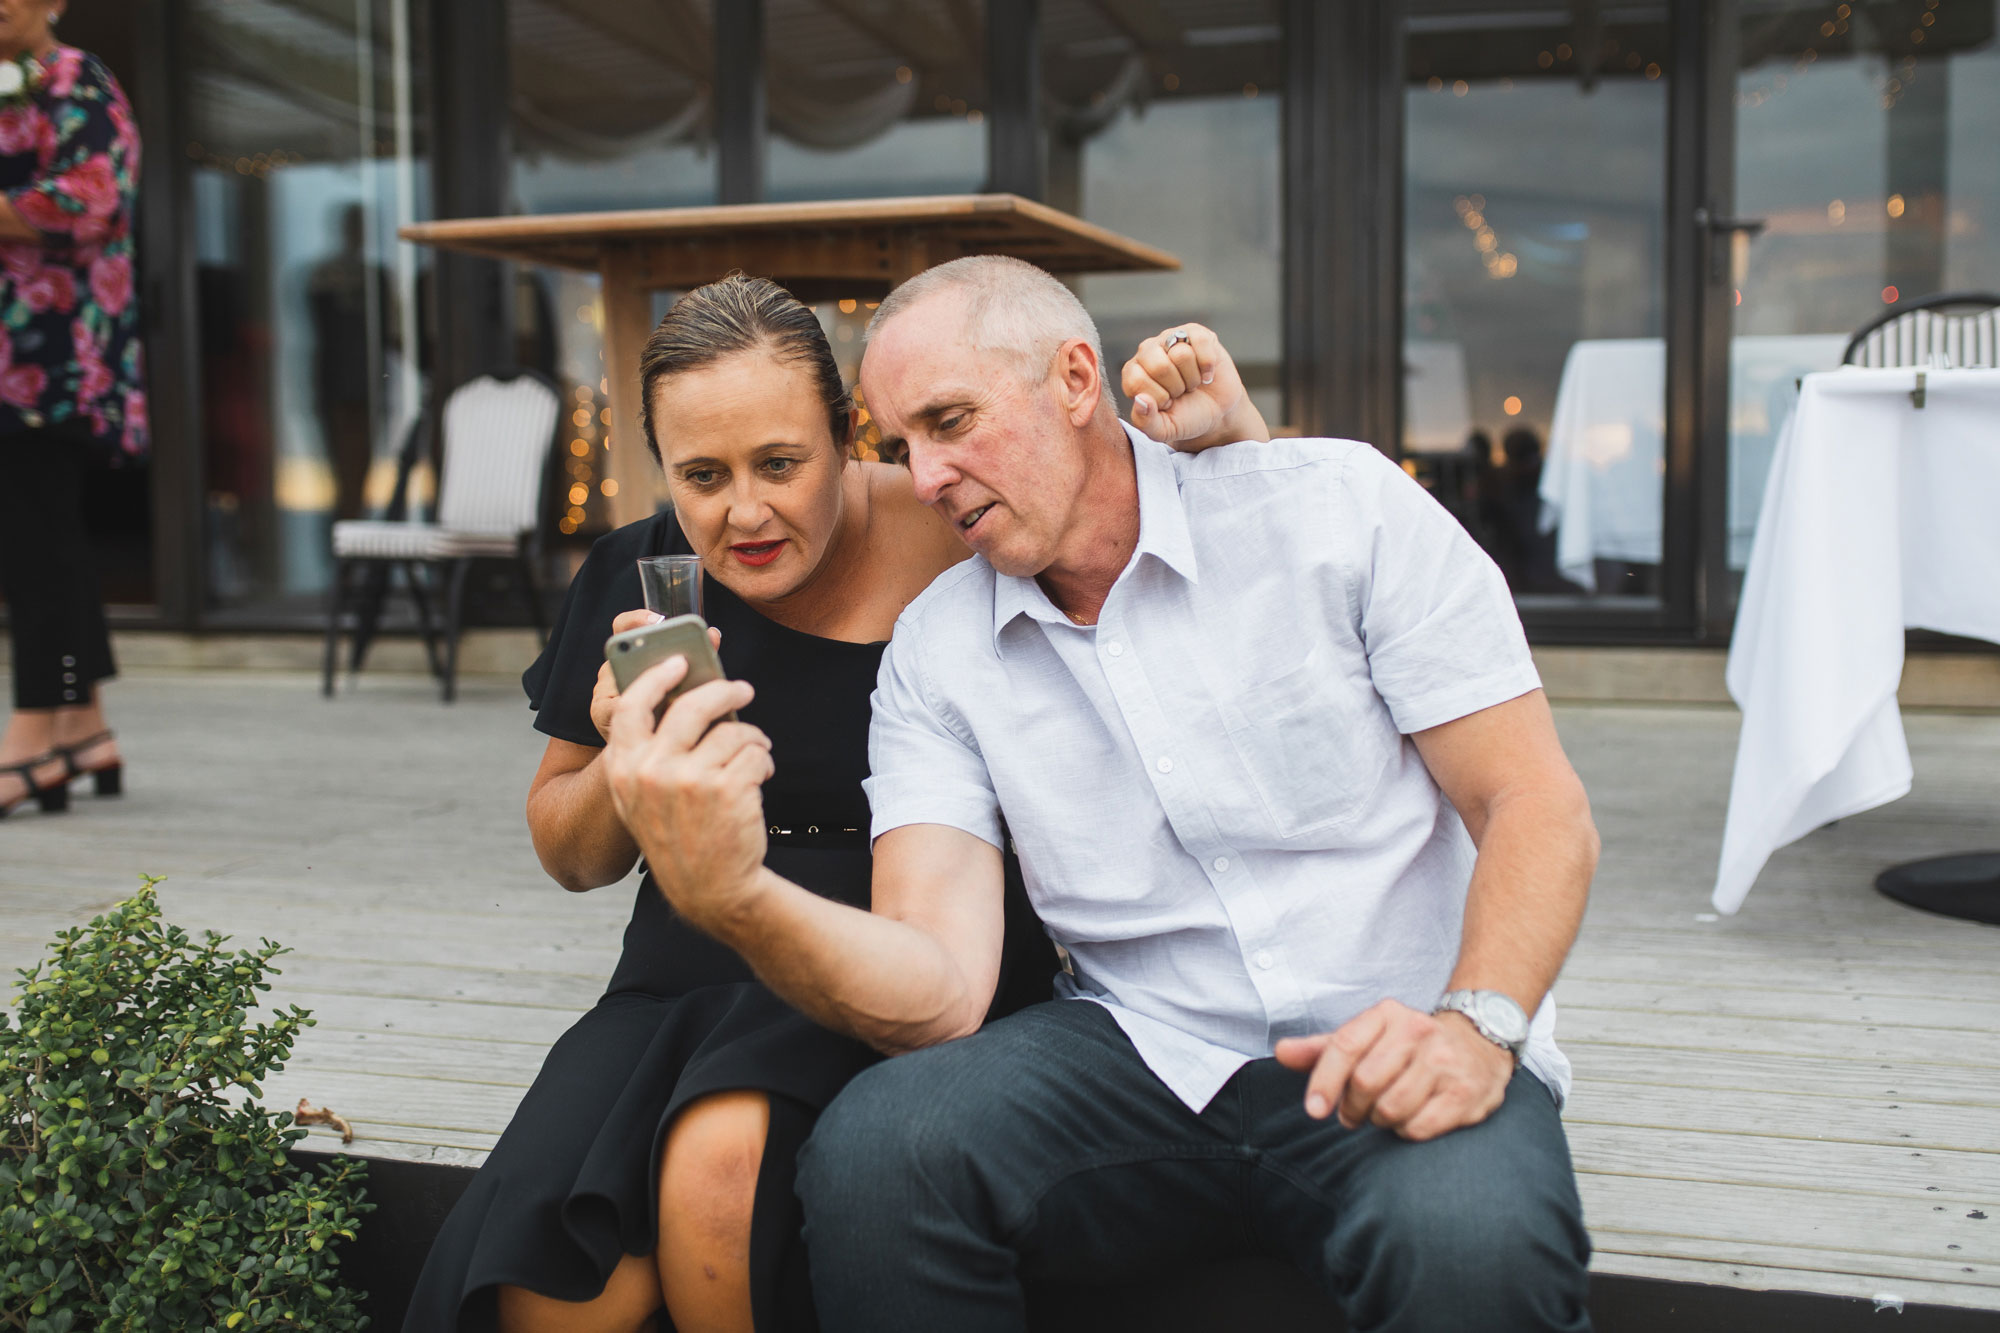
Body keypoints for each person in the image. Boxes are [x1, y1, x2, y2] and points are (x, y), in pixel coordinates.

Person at [603, 256, 1601, 1332]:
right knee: (879, 1153)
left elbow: (1531, 804)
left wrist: (1475, 1024)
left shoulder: (1332, 510)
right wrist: (731, 894)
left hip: (1405, 1032)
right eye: (901, 447)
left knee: (1469, 1244)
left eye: (950, 420)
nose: (925, 477)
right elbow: (938, 988)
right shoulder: (938, 652)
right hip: (1140, 1059)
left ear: (1075, 379)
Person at [404, 273, 1267, 1333]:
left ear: (848, 434)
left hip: (912, 923)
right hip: (684, 956)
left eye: (779, 463)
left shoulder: (964, 520)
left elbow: (1183, 599)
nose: (744, 510)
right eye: (700, 474)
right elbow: (568, 854)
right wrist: (632, 768)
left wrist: (1229, 441)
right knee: (550, 1288)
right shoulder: (641, 575)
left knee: (718, 1177)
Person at [0, 0, 143, 818]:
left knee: (34, 534)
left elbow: (89, 199)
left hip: (53, 352)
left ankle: (31, 735)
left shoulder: (78, 80)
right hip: (7, 351)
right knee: (45, 529)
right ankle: (86, 731)